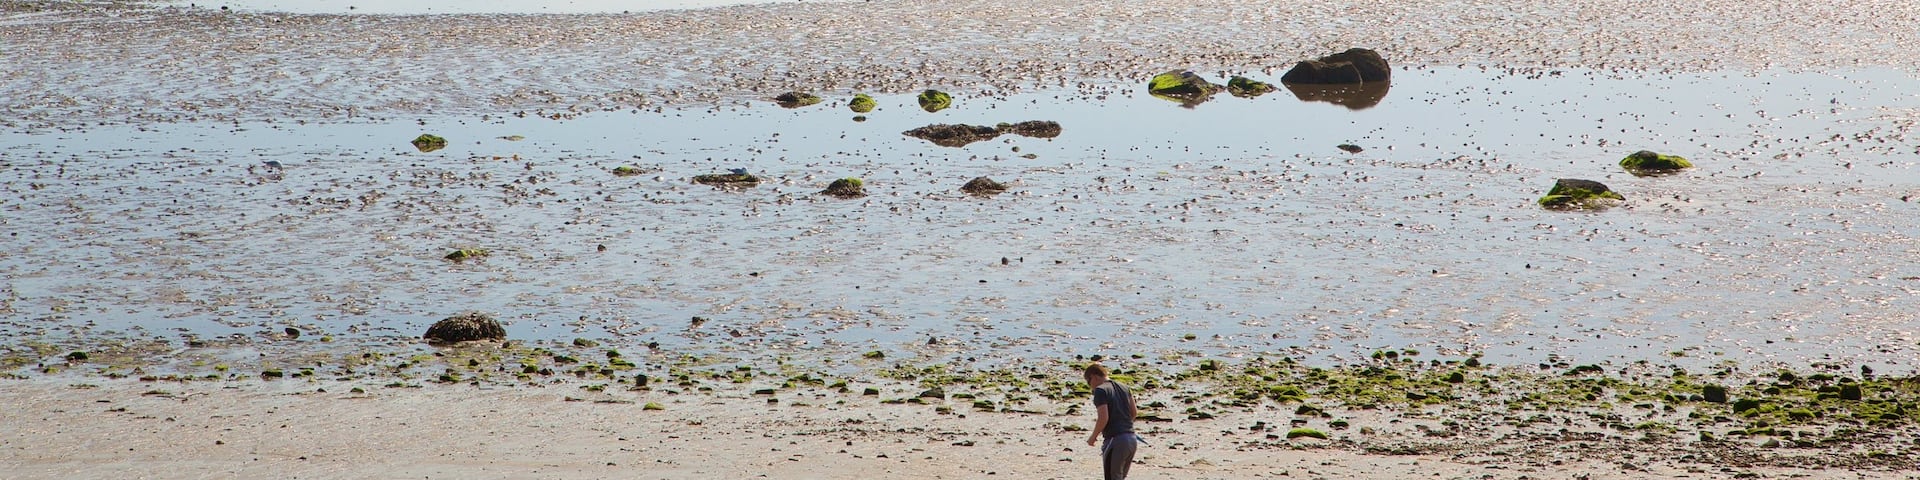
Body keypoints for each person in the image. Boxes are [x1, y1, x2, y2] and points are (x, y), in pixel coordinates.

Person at [1083, 363, 1139, 480]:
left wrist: (1093, 437)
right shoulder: (1124, 387)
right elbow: (1134, 413)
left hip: (1115, 440)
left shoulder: (1100, 390)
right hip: (1131, 439)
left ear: (1094, 377)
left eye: (1088, 382)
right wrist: (1124, 427)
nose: (1090, 386)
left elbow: (1103, 418)